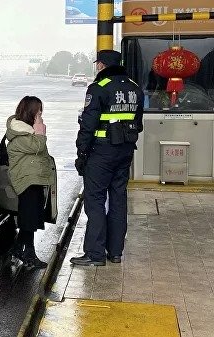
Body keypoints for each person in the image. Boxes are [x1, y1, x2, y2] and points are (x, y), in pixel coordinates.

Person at [71, 50, 144, 266]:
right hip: (125, 151)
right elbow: (138, 123)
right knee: (119, 199)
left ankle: (95, 254)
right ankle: (115, 252)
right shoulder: (134, 88)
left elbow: (88, 125)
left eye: (97, 65)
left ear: (102, 65)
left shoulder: (98, 88)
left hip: (101, 153)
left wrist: (81, 153)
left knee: (95, 200)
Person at [6, 96, 56, 270]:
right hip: (26, 182)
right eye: (38, 110)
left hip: (34, 180)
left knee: (31, 218)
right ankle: (27, 253)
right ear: (31, 112)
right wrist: (40, 130)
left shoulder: (28, 131)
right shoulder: (21, 133)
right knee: (29, 219)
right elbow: (38, 147)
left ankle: (21, 249)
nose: (41, 114)